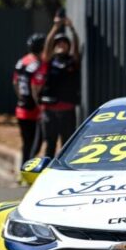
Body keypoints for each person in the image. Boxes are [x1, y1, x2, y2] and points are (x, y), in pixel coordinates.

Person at [39, 13, 81, 158]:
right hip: (50, 110)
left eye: (64, 43)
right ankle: (46, 172)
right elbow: (47, 46)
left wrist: (72, 29)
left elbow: (76, 50)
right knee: (50, 144)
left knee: (67, 145)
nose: (61, 45)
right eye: (58, 44)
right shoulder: (49, 61)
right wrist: (56, 27)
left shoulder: (72, 61)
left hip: (67, 110)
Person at [13, 33, 45, 166]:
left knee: (27, 143)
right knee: (35, 144)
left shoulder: (21, 62)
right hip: (34, 110)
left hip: (21, 108)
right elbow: (34, 88)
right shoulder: (38, 64)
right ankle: (26, 170)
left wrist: (21, 98)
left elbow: (15, 83)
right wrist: (40, 107)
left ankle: (22, 170)